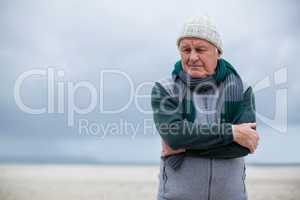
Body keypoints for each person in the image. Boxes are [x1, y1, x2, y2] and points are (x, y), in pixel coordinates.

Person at [151, 16, 259, 200]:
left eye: (200, 49)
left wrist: (187, 145)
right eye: (186, 50)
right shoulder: (165, 89)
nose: (192, 57)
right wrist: (231, 133)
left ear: (218, 52)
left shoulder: (242, 89)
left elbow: (243, 147)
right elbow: (174, 135)